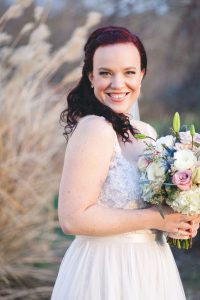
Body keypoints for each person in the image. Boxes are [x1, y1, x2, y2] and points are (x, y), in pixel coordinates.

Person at [51, 26, 199, 300]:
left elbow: (153, 206)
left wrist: (182, 215)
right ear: (91, 77)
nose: (118, 84)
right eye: (106, 73)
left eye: (129, 72)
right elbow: (72, 218)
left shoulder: (147, 133)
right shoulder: (94, 128)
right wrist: (160, 218)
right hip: (106, 270)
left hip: (152, 268)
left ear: (141, 75)